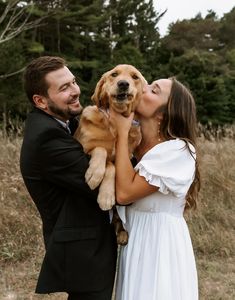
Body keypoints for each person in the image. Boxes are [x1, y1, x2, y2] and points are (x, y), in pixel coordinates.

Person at [20, 56, 117, 300]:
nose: (75, 91)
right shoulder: (47, 137)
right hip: (82, 250)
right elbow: (99, 185)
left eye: (73, 82)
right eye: (64, 88)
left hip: (85, 244)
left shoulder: (65, 122)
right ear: (40, 101)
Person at [110, 77, 200, 300]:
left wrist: (122, 133)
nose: (142, 87)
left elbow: (124, 194)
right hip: (136, 241)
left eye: (153, 90)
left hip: (159, 246)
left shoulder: (178, 150)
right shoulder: (136, 146)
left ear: (164, 112)